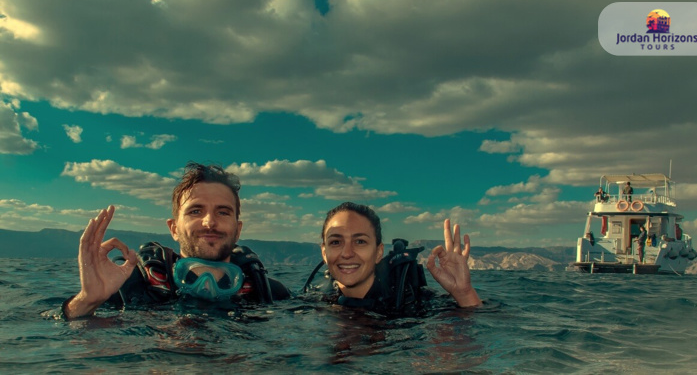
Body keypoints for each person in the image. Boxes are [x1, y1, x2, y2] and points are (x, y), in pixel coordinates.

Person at [61, 162, 291, 319]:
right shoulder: (129, 289)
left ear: (238, 229)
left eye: (223, 212)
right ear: (174, 228)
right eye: (195, 211)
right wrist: (86, 302)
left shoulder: (270, 294)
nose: (209, 222)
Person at [307, 202, 481, 316]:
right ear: (324, 251)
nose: (347, 253)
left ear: (378, 252)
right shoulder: (312, 301)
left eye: (360, 241)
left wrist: (464, 293)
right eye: (336, 242)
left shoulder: (414, 304)